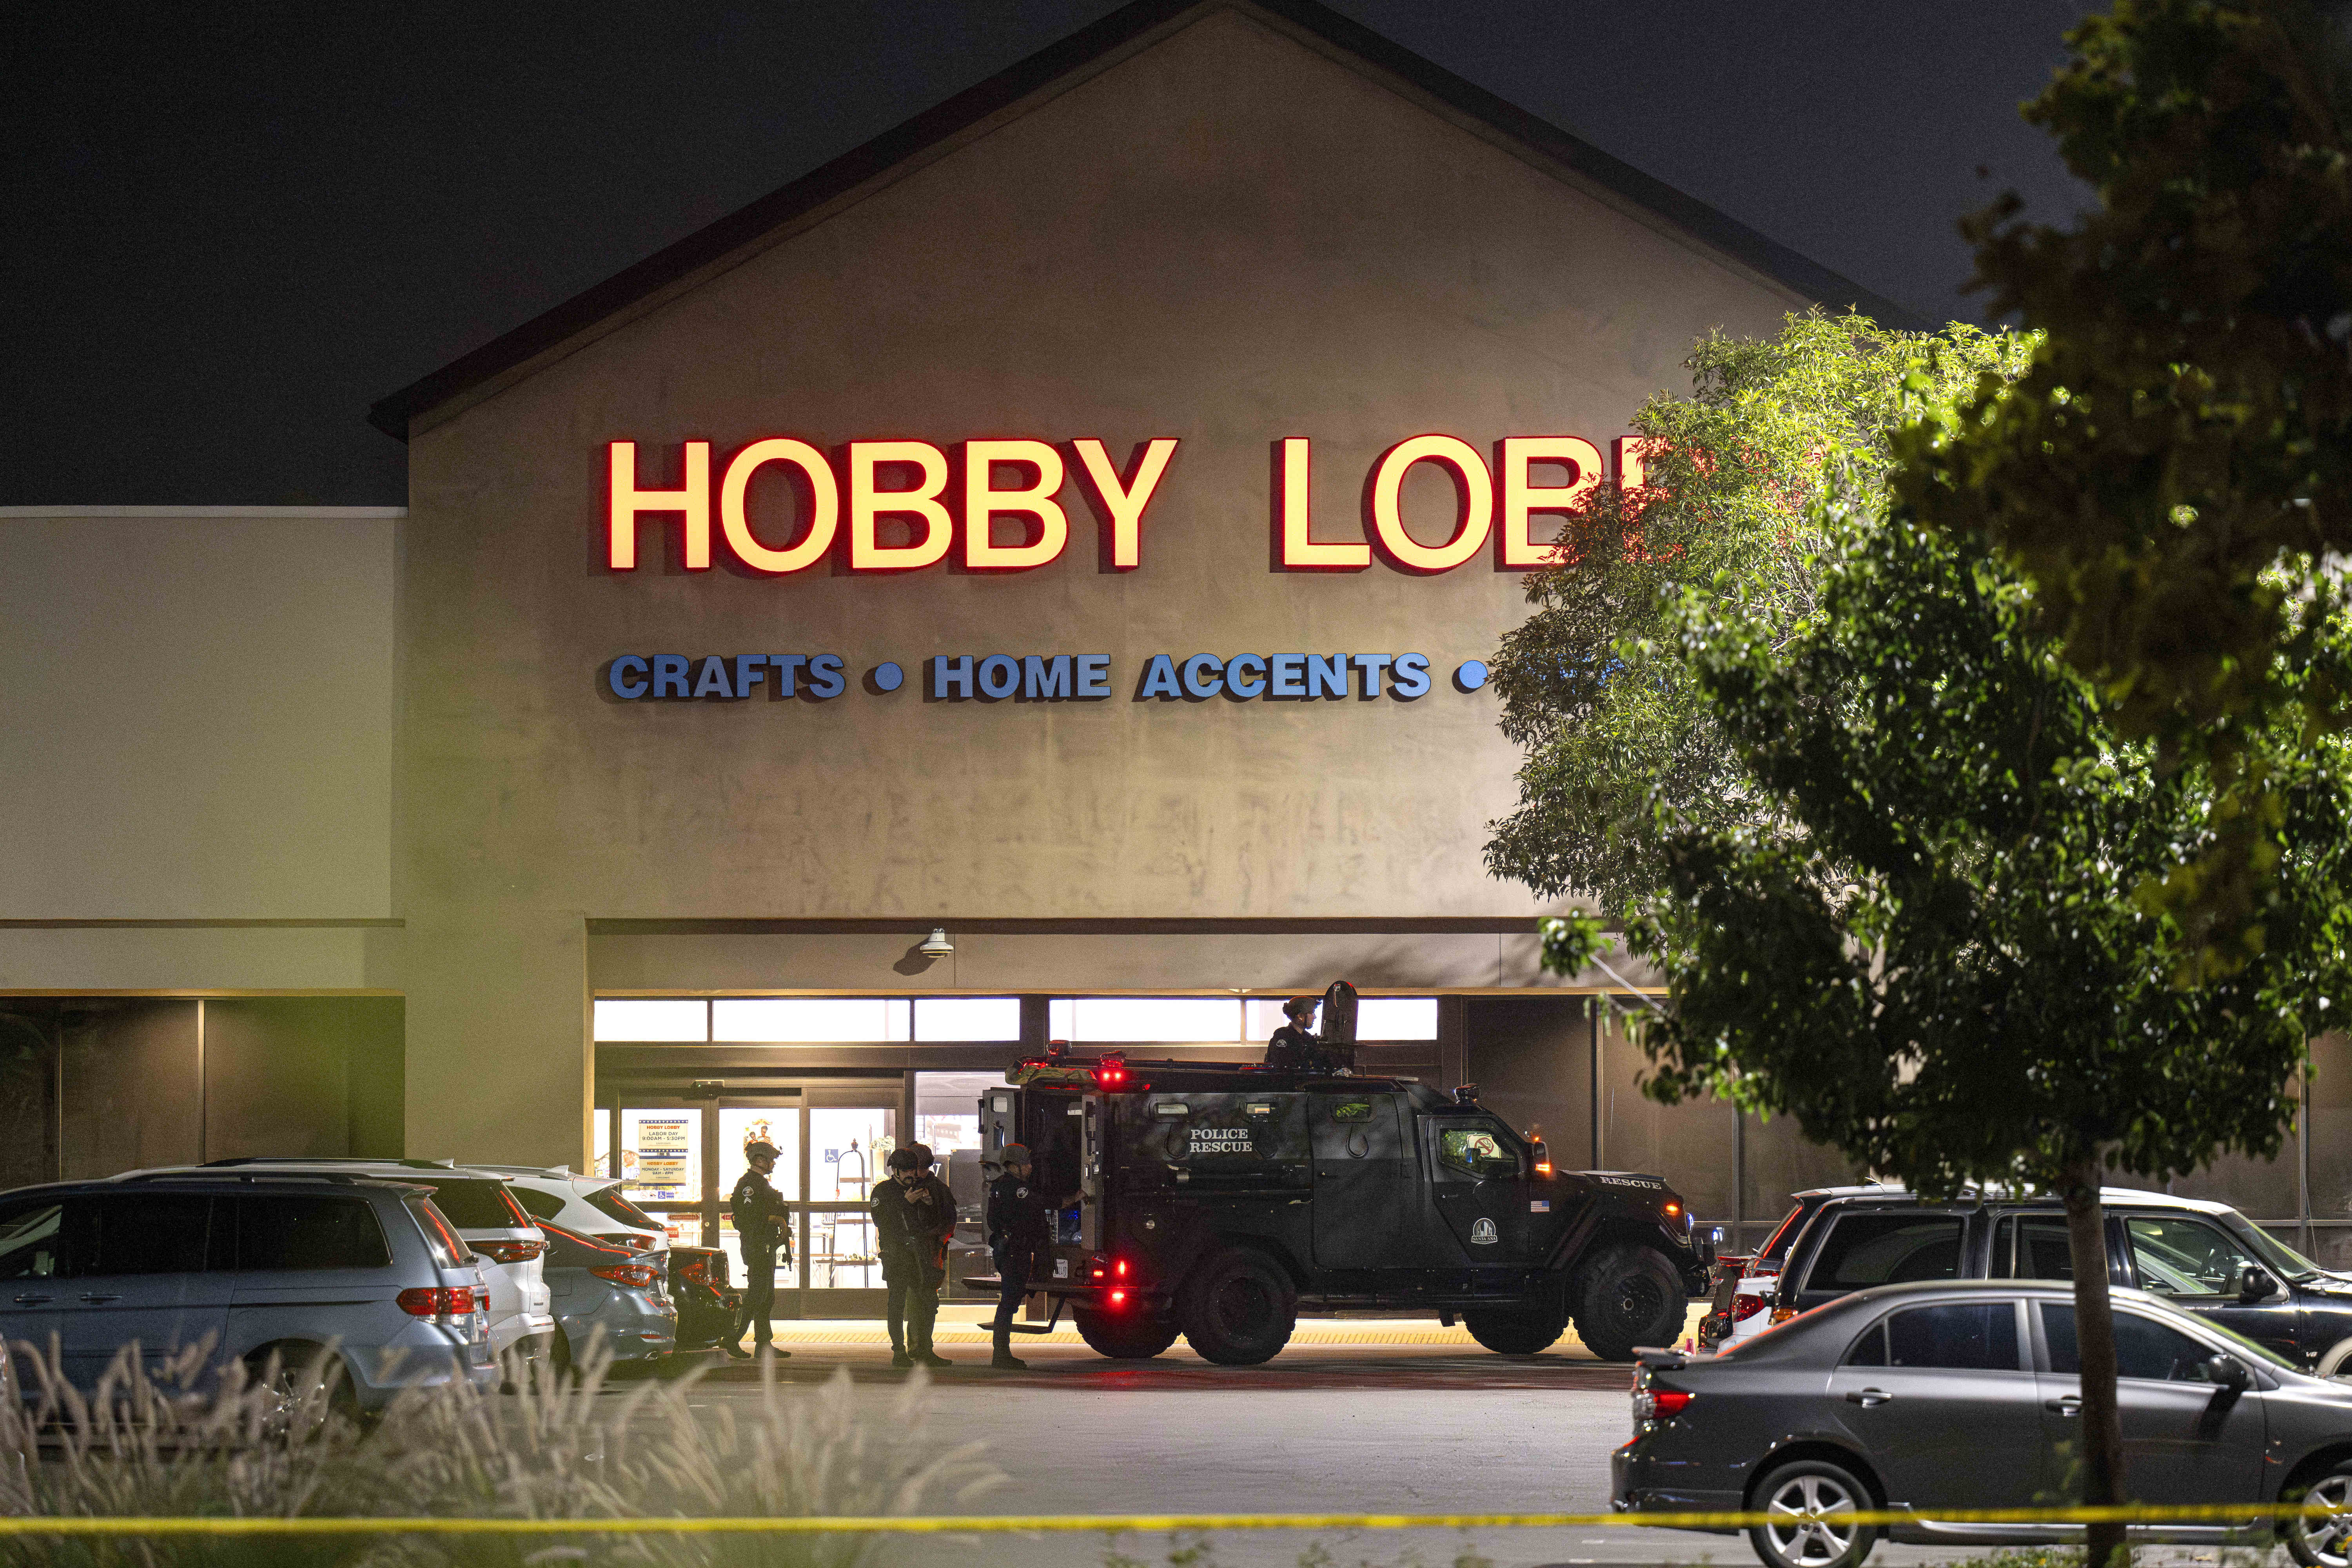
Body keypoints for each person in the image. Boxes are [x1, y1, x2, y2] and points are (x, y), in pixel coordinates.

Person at [873, 1143, 955, 1368]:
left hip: (920, 1255)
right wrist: (906, 1203)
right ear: (896, 1171)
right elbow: (883, 1221)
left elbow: (937, 1221)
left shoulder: (927, 1189)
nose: (913, 1175)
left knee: (925, 1301)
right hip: (897, 1255)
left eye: (915, 1170)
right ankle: (899, 1351)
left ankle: (921, 1349)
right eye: (908, 1170)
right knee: (898, 1303)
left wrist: (928, 1204)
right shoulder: (884, 1191)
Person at [985, 1143, 1052, 1370]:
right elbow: (1042, 1205)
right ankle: (1001, 1355)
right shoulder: (1019, 1189)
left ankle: (1001, 1353)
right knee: (1009, 1303)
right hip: (1016, 1252)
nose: (1031, 1167)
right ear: (1014, 1167)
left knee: (1008, 1302)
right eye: (1026, 1164)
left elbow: (992, 1222)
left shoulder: (997, 1187)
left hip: (1005, 1250)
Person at [726, 1140, 792, 1361]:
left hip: (766, 1244)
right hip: (756, 1246)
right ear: (760, 1160)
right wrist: (776, 1220)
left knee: (766, 1297)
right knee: (757, 1295)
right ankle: (733, 1339)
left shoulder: (760, 1183)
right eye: (770, 1159)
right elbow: (747, 1217)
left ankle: (764, 1345)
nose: (773, 1163)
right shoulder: (749, 1184)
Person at [1261, 996, 1322, 1071]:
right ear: (1300, 1016)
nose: (1314, 1017)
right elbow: (1280, 1065)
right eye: (1312, 1013)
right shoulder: (1282, 1036)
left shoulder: (1309, 1038)